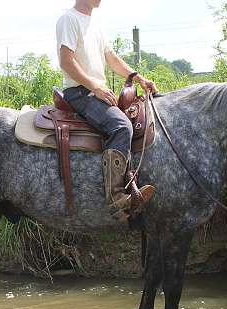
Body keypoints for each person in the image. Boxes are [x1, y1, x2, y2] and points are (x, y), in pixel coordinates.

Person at [56, 0, 157, 222]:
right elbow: (66, 61)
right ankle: (116, 198)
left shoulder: (94, 23)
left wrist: (138, 78)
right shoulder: (69, 19)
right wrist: (95, 86)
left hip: (94, 91)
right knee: (121, 126)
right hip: (80, 93)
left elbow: (112, 59)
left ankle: (130, 181)